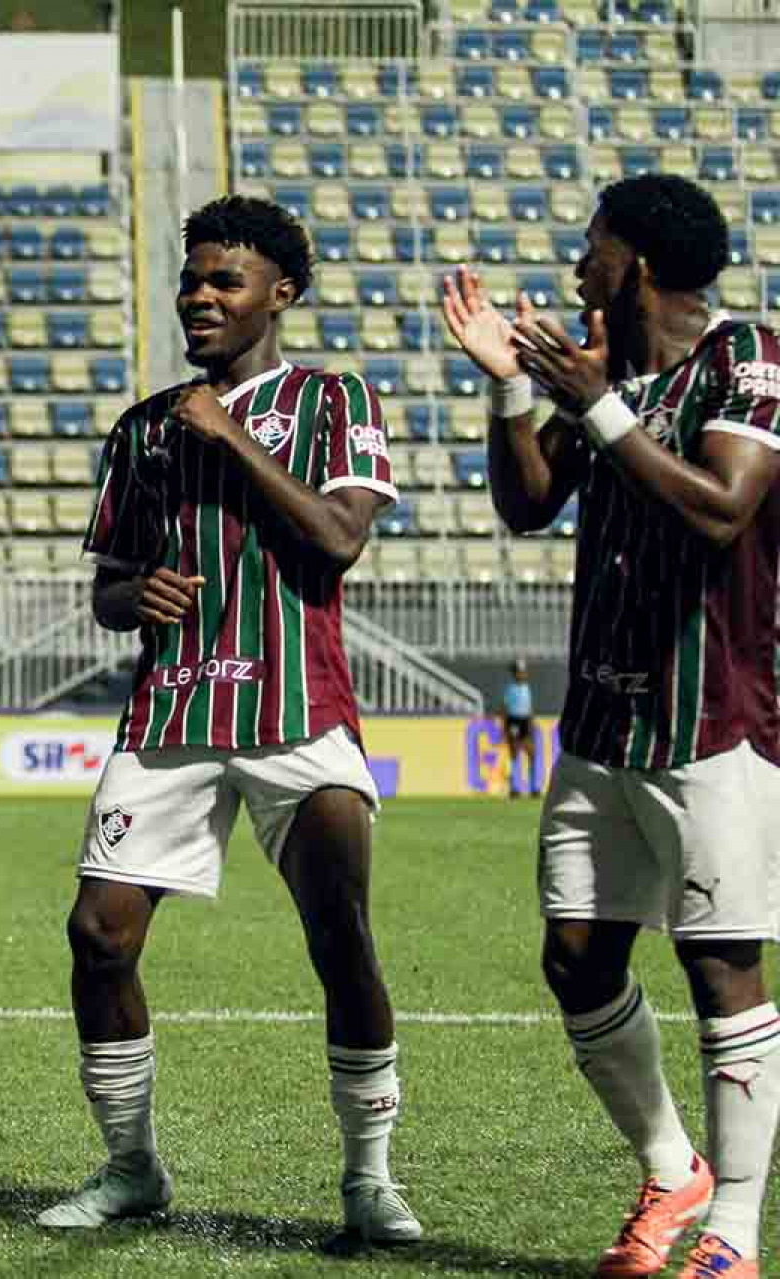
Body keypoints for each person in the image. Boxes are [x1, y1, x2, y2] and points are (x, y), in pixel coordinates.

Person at [38, 195, 419, 1244]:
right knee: (97, 936)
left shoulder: (337, 400)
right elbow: (110, 587)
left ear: (281, 295)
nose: (200, 296)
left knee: (341, 938)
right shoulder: (144, 426)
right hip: (170, 713)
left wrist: (232, 435)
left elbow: (340, 539)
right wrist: (136, 595)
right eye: (192, 279)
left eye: (226, 282)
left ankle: (369, 1180)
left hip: (300, 711)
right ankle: (131, 1168)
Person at [443, 172, 780, 1279]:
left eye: (593, 247)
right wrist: (507, 389)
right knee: (577, 955)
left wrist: (595, 402)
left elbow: (724, 507)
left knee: (722, 962)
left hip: (718, 715)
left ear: (635, 260)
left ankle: (731, 1229)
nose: (580, 263)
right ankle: (669, 1163)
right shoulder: (616, 371)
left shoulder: (749, 358)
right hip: (602, 717)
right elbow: (529, 499)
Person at [500, 659, 537, 798]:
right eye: (520, 672)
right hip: (514, 722)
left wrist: (531, 723)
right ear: (515, 674)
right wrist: (505, 728)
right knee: (514, 754)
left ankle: (534, 787)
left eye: (523, 672)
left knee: (532, 754)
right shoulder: (510, 689)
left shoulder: (526, 688)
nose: (523, 674)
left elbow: (529, 708)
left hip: (524, 721)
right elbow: (504, 709)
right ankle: (514, 788)